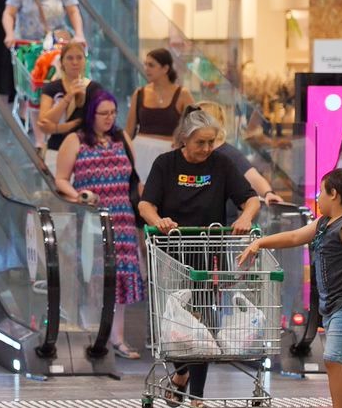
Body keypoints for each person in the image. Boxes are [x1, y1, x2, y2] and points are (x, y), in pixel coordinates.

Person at [137, 108, 260, 404]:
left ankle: (197, 397)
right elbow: (146, 205)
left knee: (204, 322)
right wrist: (159, 221)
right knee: (178, 323)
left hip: (209, 254)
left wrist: (246, 217)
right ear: (184, 139)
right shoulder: (166, 164)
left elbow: (251, 198)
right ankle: (180, 373)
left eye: (211, 142)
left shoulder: (221, 164)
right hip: (172, 254)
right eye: (200, 143)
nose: (206, 148)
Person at [239, 168, 342, 408]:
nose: (318, 197)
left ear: (334, 194)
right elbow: (293, 237)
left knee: (333, 359)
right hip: (332, 306)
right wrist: (259, 242)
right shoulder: (324, 224)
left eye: (321, 192)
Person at [55, 90, 145, 358]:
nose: (109, 118)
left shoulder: (120, 138)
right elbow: (60, 178)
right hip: (91, 219)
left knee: (121, 278)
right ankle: (92, 334)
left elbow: (133, 175)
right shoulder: (76, 140)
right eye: (103, 113)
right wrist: (78, 196)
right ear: (91, 114)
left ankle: (116, 338)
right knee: (93, 276)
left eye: (113, 113)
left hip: (123, 218)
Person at [189, 100, 284, 207]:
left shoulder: (229, 154)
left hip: (223, 220)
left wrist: (268, 193)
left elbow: (253, 176)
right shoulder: (189, 151)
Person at [125, 48, 195, 183]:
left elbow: (196, 124)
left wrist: (181, 142)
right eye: (145, 64)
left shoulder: (182, 94)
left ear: (165, 68)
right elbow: (129, 129)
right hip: (140, 151)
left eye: (151, 65)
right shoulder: (139, 93)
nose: (146, 69)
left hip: (168, 150)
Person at [38, 41, 103, 165]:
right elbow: (44, 122)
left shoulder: (95, 89)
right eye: (70, 58)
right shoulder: (51, 88)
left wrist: (57, 128)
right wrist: (68, 97)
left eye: (79, 58)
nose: (75, 62)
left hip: (87, 151)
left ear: (85, 61)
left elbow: (98, 122)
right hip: (57, 149)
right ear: (62, 62)